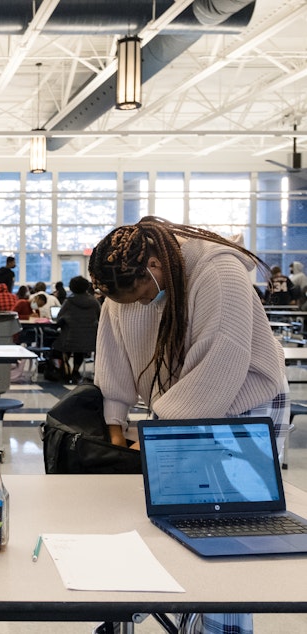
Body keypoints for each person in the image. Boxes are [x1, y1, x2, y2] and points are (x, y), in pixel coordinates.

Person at [89, 217, 289, 634]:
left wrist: (156, 436)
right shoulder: (119, 282)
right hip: (177, 407)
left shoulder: (219, 271)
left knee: (227, 529)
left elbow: (220, 368)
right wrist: (115, 426)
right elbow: (113, 359)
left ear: (155, 267)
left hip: (248, 403)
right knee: (167, 511)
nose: (141, 305)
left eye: (143, 296)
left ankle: (220, 626)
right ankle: (155, 607)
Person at [52, 276, 100, 383]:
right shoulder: (94, 302)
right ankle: (75, 371)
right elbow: (99, 316)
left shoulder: (69, 302)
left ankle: (65, 370)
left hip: (70, 337)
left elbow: (59, 318)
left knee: (61, 346)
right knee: (80, 350)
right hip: (89, 339)